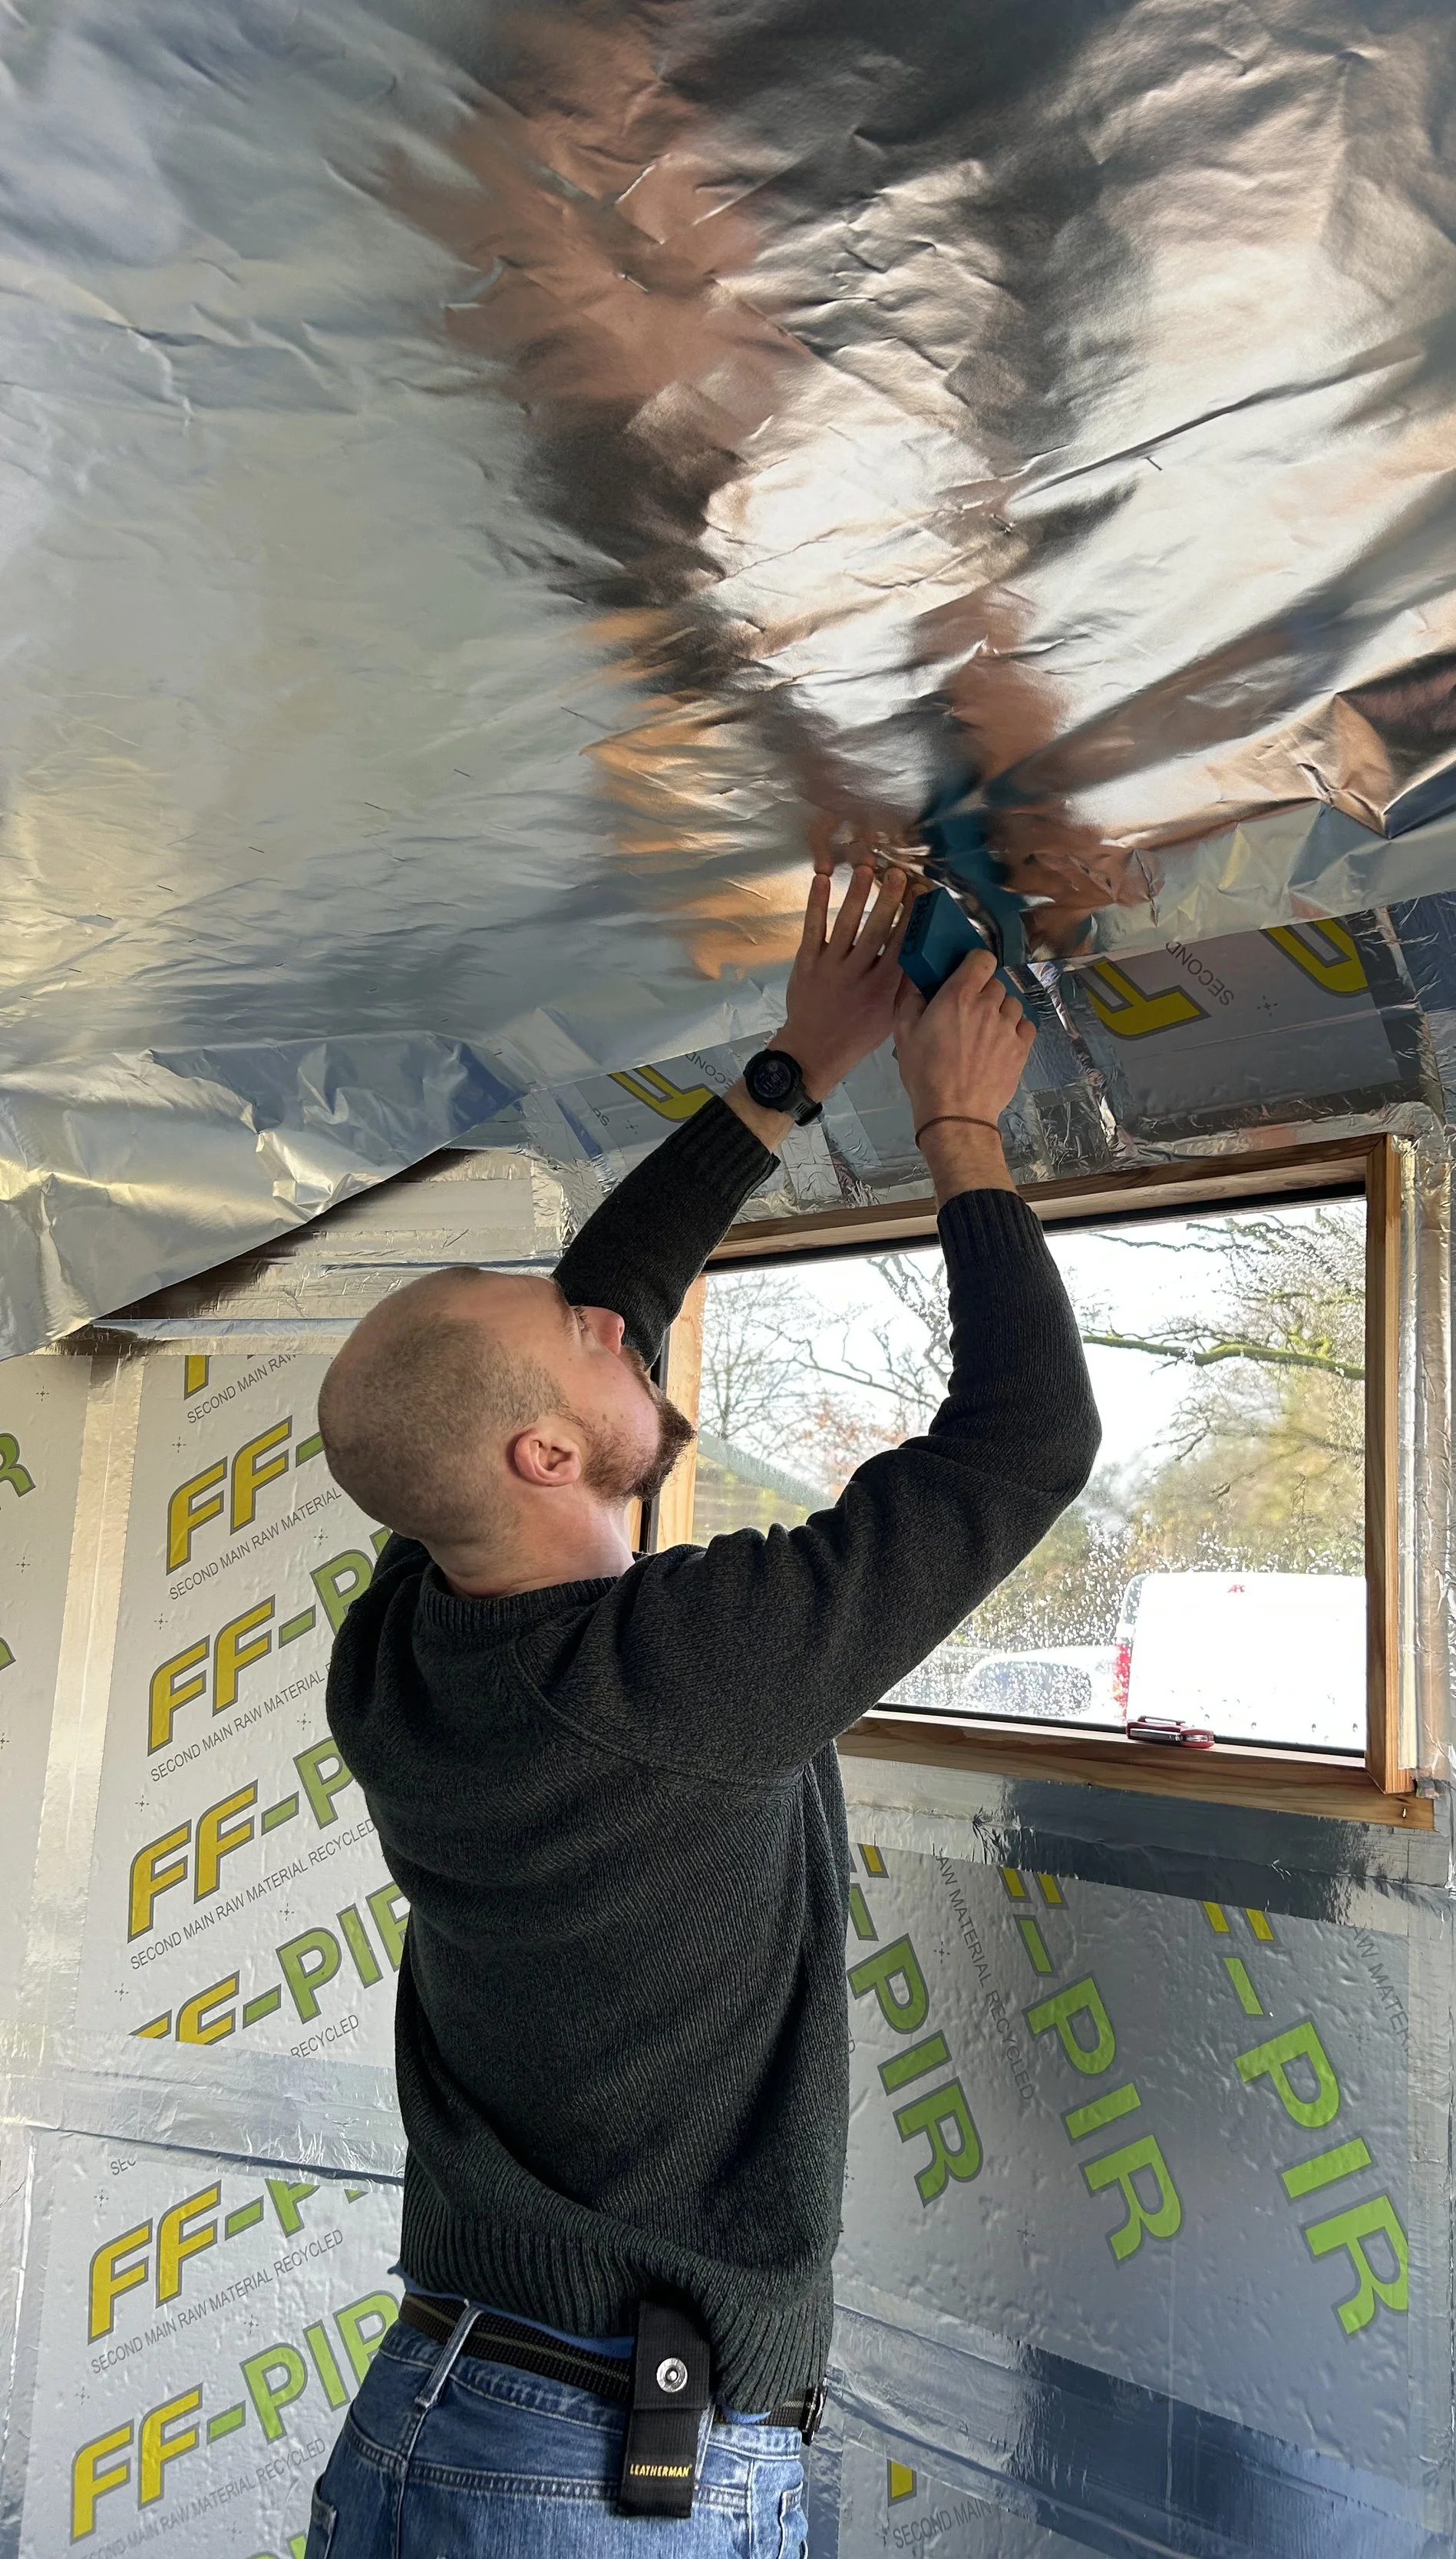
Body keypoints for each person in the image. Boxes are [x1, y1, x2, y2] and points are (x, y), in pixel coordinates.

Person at [307, 862, 1101, 2557]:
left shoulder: (408, 1646)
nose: (614, 1315)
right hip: (581, 2463)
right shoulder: (657, 1675)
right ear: (542, 1457)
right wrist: (958, 1130)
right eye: (586, 1343)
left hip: (502, 2427)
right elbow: (1021, 1446)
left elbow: (587, 1309)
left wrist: (787, 1073)